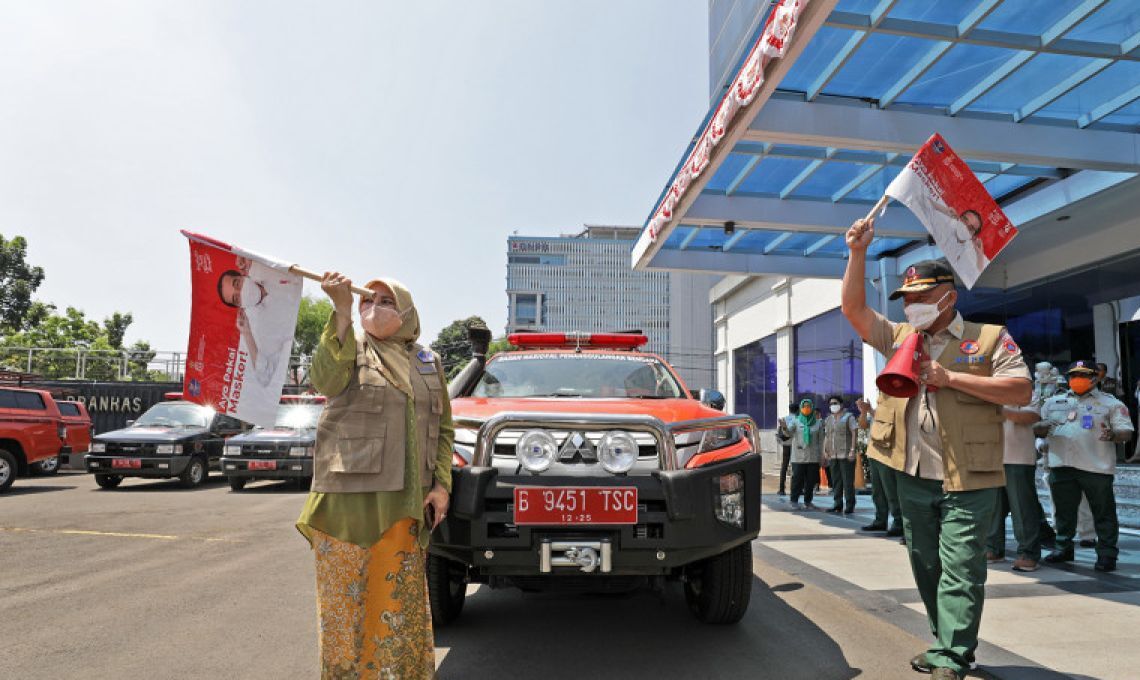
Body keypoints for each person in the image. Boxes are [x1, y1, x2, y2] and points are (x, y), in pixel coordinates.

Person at [842, 216, 1032, 680]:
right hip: (910, 473)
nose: (913, 308)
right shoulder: (902, 338)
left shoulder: (988, 339)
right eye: (907, 300)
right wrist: (857, 253)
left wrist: (951, 379)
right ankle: (944, 641)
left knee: (962, 568)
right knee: (926, 563)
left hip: (969, 475)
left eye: (921, 299)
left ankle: (952, 655)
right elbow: (854, 311)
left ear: (949, 296)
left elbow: (1020, 390)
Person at [296, 273, 453, 679]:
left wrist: (441, 485)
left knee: (397, 609)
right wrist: (341, 311)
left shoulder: (428, 362)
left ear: (406, 313)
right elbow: (325, 379)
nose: (373, 305)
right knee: (346, 612)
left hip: (406, 503)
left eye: (385, 300)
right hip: (347, 505)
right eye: (368, 299)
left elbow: (445, 429)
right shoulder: (349, 345)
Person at [1036, 359, 1134, 572]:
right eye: (1073, 376)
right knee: (1063, 513)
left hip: (1096, 467)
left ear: (1093, 378)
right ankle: (1063, 548)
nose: (1077, 380)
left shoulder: (1111, 403)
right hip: (1061, 465)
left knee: (1104, 513)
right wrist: (1040, 428)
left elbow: (1126, 431)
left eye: (1082, 375)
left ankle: (1107, 554)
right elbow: (1038, 427)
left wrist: (1114, 434)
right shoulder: (1053, 402)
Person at [217, 260, 302, 387]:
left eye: (237, 284)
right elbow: (264, 377)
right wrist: (247, 334)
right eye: (236, 298)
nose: (241, 292)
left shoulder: (264, 268)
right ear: (239, 306)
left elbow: (295, 268)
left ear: (243, 275)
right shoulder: (261, 329)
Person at [985, 401, 1044, 572]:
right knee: (992, 507)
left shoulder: (1024, 390)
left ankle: (1028, 553)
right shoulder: (986, 390)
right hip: (991, 457)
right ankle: (993, 548)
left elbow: (1031, 416)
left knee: (1022, 508)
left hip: (1018, 457)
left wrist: (998, 408)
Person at [860, 397, 904, 538]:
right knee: (877, 491)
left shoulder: (896, 402)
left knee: (891, 491)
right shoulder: (879, 406)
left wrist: (871, 410)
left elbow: (890, 423)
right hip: (874, 452)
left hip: (888, 453)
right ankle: (880, 519)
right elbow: (864, 425)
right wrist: (864, 411)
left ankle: (898, 523)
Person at [823, 395, 858, 514]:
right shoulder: (828, 420)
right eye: (831, 404)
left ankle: (850, 505)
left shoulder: (849, 417)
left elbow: (854, 433)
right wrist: (825, 451)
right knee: (836, 481)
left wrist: (853, 450)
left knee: (848, 481)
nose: (833, 406)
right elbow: (827, 436)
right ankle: (837, 504)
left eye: (835, 403)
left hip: (846, 454)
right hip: (833, 455)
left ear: (841, 404)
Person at [787, 398, 824, 510]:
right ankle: (794, 501)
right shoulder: (795, 421)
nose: (806, 408)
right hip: (798, 457)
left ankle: (808, 502)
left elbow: (821, 441)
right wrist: (784, 427)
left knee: (810, 481)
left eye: (808, 406)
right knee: (797, 479)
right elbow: (789, 433)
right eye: (804, 406)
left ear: (812, 408)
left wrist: (822, 455)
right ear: (801, 408)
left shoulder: (818, 423)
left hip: (813, 457)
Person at [776, 403, 796, 495]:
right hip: (795, 446)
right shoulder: (798, 420)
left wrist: (782, 443)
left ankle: (781, 489)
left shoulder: (784, 419)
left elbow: (778, 434)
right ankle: (795, 489)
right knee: (795, 467)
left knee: (784, 466)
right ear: (798, 410)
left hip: (785, 446)